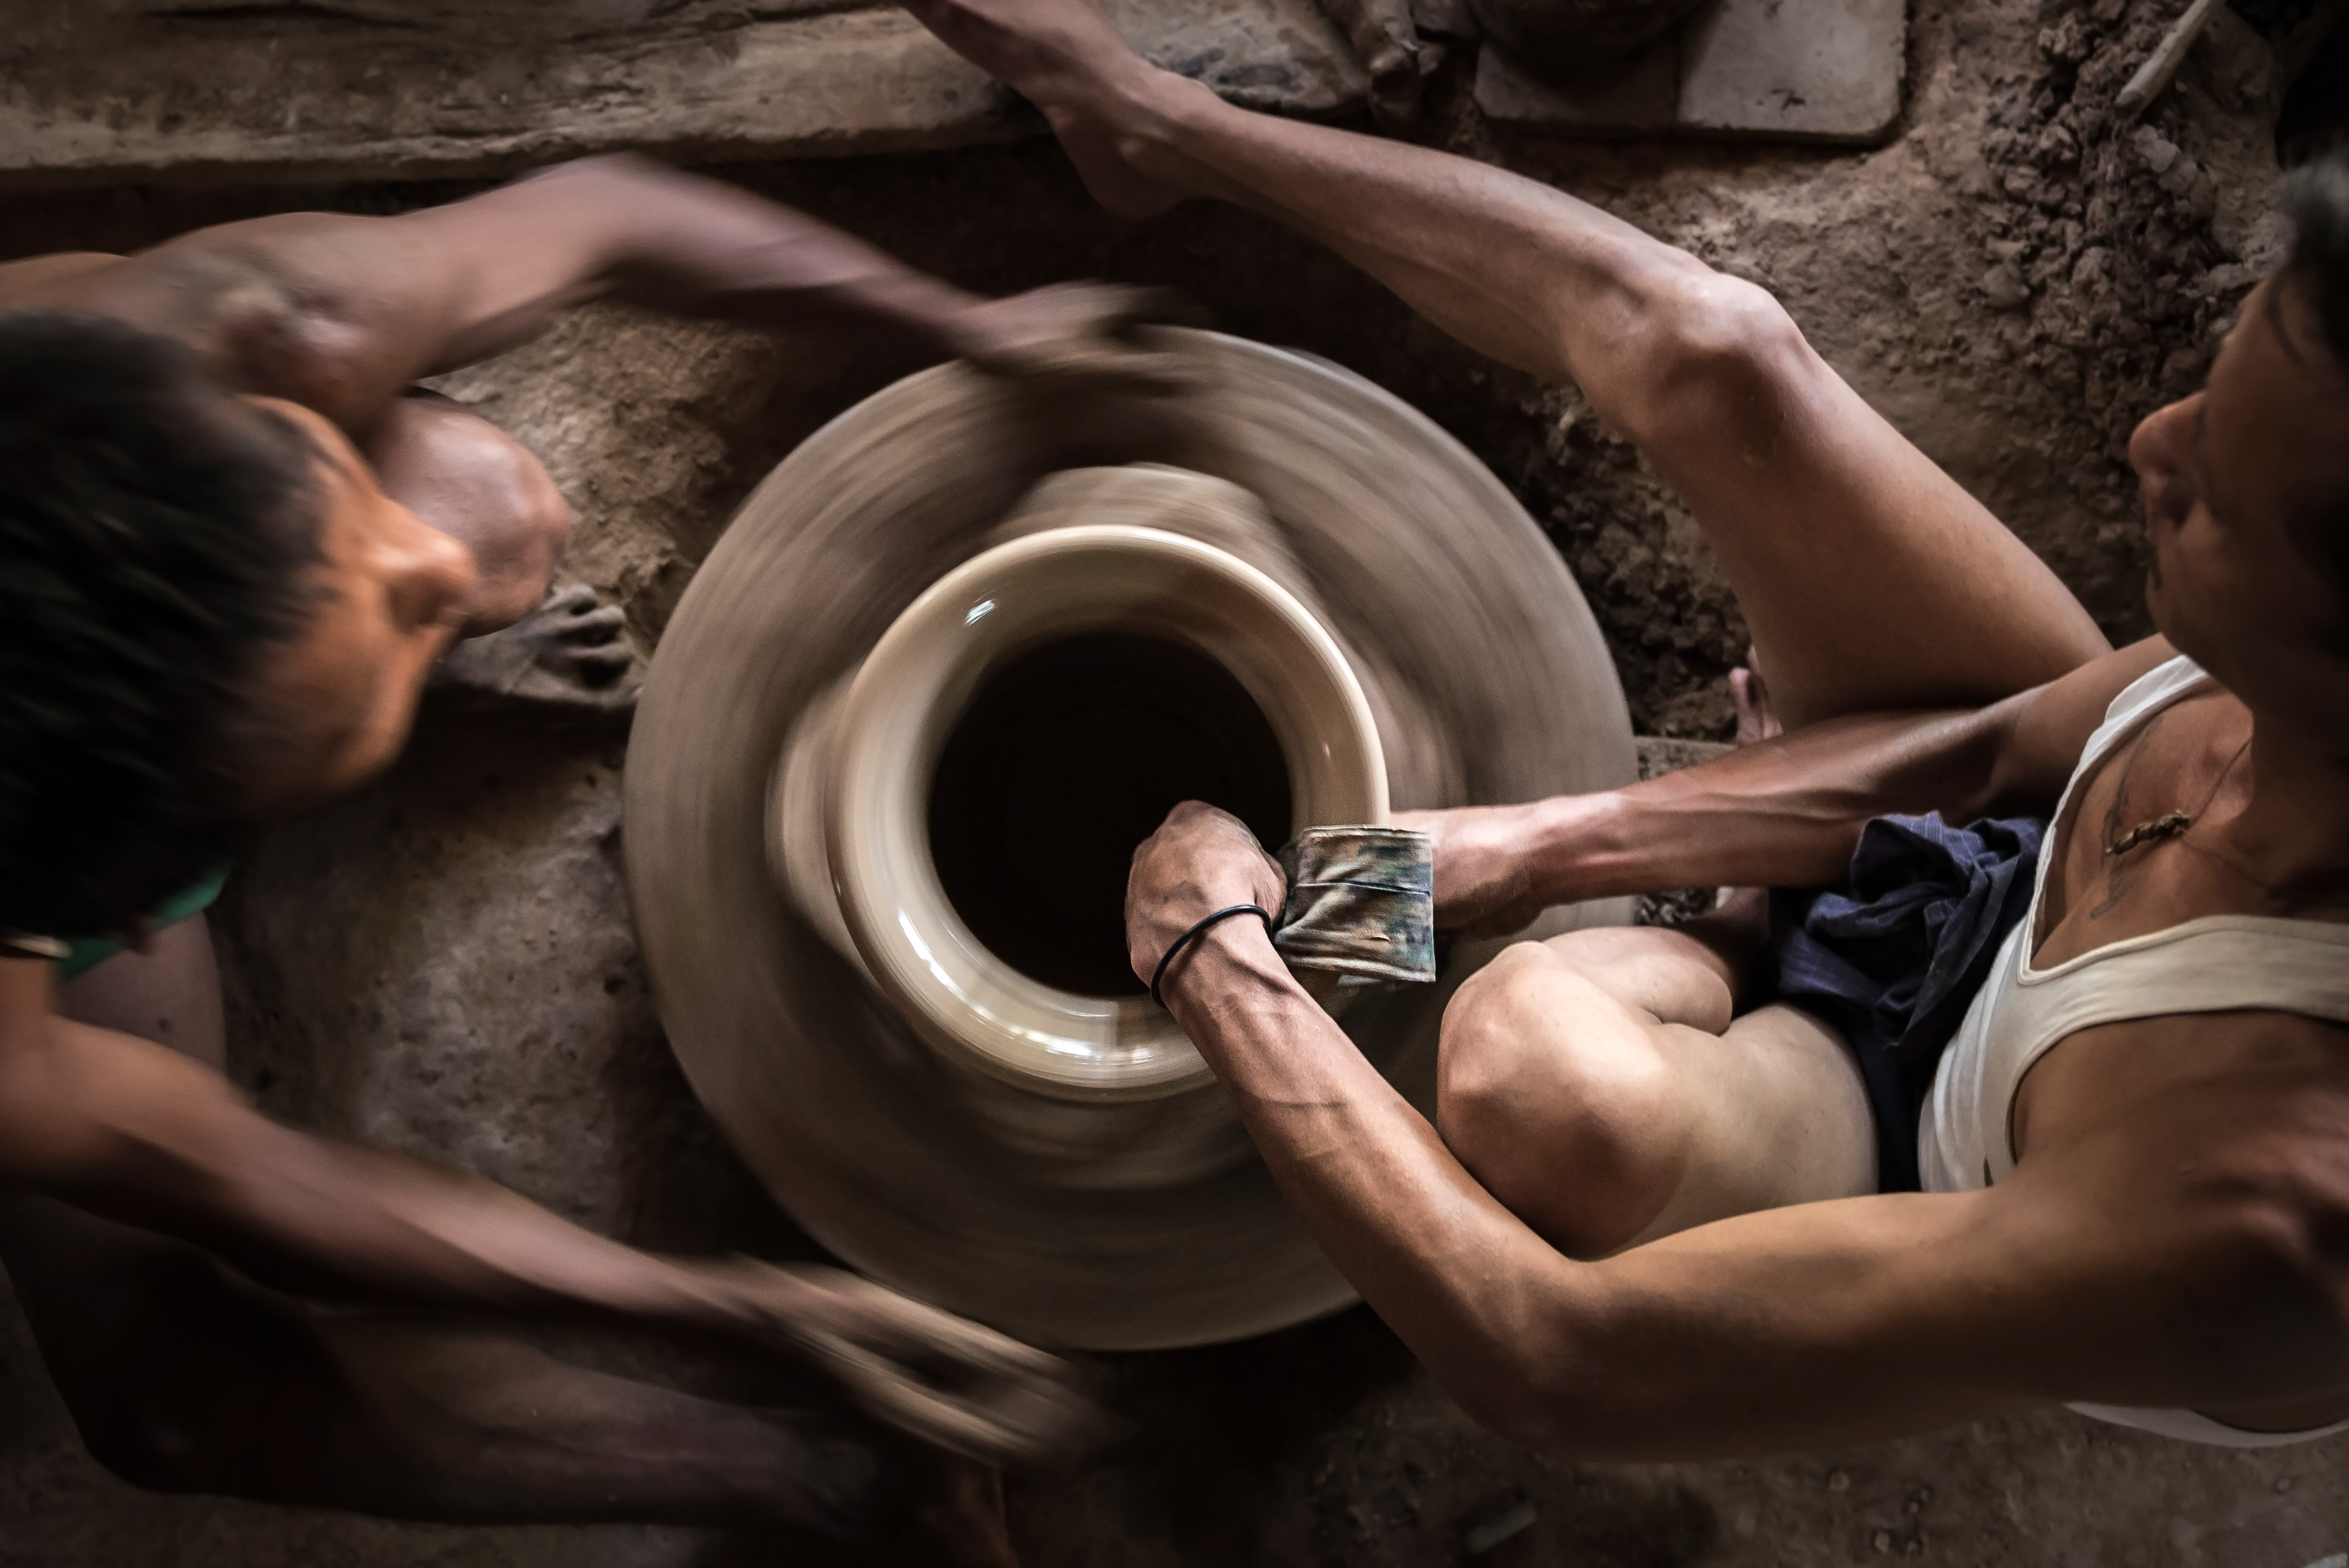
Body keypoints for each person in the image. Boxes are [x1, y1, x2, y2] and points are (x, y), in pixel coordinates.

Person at [900, 0, 2349, 1451]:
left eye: (2223, 495)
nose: (2153, 445)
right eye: (2210, 398)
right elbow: (1989, 756)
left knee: (1529, 1074)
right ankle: (1157, 128)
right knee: (1710, 346)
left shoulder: (2266, 1222)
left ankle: (1737, 940)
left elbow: (1566, 1364)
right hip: (2005, 860)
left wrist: (1213, 965)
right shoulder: (2268, 676)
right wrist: (1539, 846)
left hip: (1911, 1137)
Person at [0, 156, 1161, 1555]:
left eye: (331, 489)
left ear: (219, 393)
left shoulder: (235, 318)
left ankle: (327, 645)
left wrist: (975, 326)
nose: (433, 569)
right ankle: (835, 1491)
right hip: (58, 898)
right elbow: (247, 1180)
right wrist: (740, 1310)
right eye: (410, 633)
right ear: (138, 906)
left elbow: (612, 216)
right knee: (169, 1400)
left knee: (487, 509)